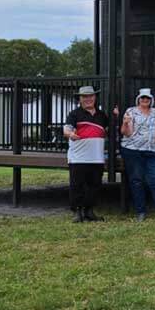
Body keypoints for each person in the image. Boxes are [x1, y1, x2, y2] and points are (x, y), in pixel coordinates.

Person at [120, 87, 155, 221]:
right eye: (143, 98)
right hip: (132, 150)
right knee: (137, 180)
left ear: (151, 100)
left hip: (150, 150)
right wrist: (125, 123)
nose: (145, 100)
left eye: (147, 98)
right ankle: (141, 212)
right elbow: (125, 133)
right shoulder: (130, 111)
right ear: (138, 99)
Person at [63, 85, 108, 223]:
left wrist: (116, 116)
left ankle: (89, 211)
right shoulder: (74, 114)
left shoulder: (102, 115)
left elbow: (108, 130)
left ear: (95, 97)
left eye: (90, 96)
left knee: (94, 186)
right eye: (85, 97)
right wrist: (70, 134)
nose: (88, 99)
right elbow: (66, 129)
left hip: (97, 157)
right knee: (77, 186)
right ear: (80, 99)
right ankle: (77, 212)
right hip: (78, 158)